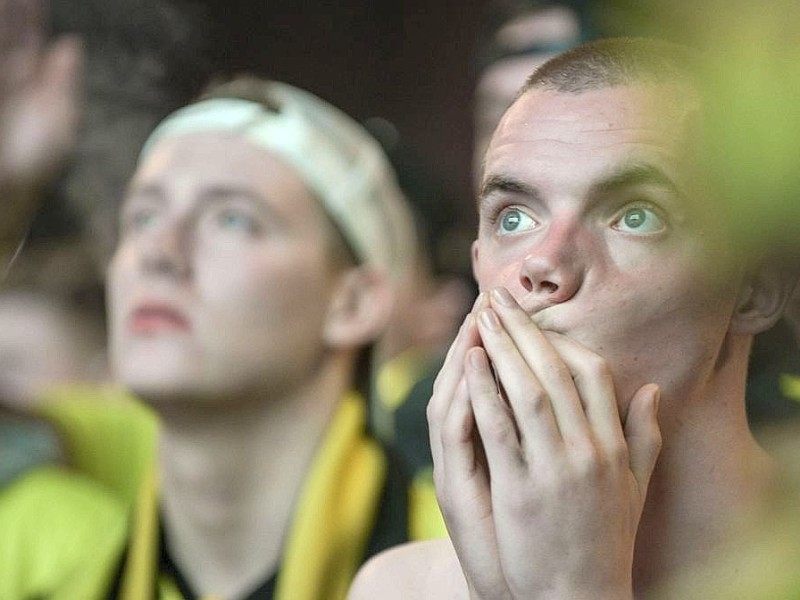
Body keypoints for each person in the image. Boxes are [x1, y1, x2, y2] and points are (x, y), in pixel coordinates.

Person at [348, 36, 797, 599]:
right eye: (513, 218)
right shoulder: (397, 589)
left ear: (753, 289)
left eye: (636, 215)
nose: (543, 263)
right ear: (478, 267)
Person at [95, 75, 418, 600]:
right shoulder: (53, 576)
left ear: (354, 303)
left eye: (232, 219)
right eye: (144, 216)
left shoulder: (472, 571)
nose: (159, 251)